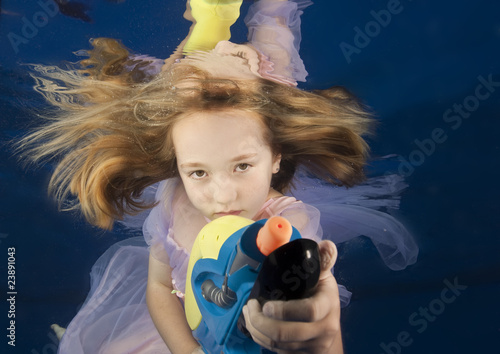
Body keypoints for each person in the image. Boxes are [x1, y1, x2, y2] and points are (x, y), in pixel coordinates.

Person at [17, 0, 418, 352]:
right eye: (197, 172)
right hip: (184, 335)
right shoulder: (175, 196)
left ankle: (246, 15)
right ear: (178, 168)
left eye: (242, 166)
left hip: (258, 85)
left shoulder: (286, 224)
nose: (222, 196)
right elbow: (159, 289)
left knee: (269, 38)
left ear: (276, 158)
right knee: (183, 85)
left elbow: (300, 297)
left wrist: (316, 331)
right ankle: (211, 22)